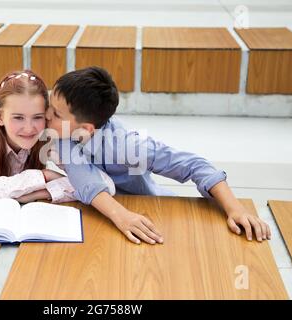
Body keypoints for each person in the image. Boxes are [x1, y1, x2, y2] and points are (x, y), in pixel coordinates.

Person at [43, 66, 271, 245]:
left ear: (87, 128)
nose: (46, 114)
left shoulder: (128, 146)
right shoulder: (64, 135)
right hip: (108, 214)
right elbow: (85, 180)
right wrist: (120, 215)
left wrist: (235, 209)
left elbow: (194, 165)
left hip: (147, 210)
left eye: (56, 113)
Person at [0, 69, 115, 205]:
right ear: (0, 116)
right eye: (18, 118)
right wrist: (42, 176)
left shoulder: (48, 135)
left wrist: (46, 192)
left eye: (37, 117)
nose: (29, 129)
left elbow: (105, 183)